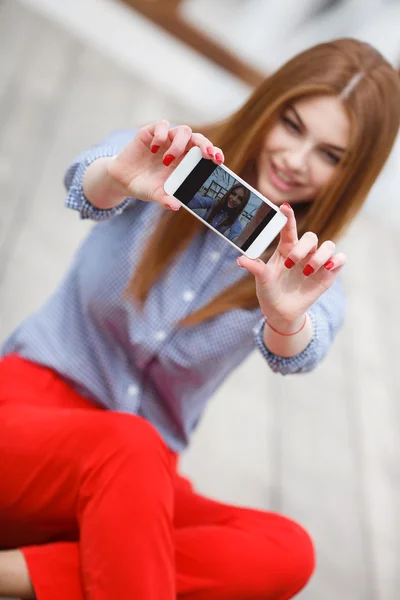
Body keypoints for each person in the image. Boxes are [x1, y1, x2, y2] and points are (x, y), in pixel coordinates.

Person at [0, 38, 399, 600]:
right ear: (268, 104)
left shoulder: (309, 274)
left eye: (330, 155)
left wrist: (285, 319)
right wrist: (117, 176)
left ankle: (19, 573)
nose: (295, 159)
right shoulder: (164, 160)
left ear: (352, 174)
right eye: (291, 124)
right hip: (26, 426)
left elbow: (308, 345)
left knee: (285, 549)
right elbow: (84, 182)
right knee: (128, 444)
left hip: (134, 485)